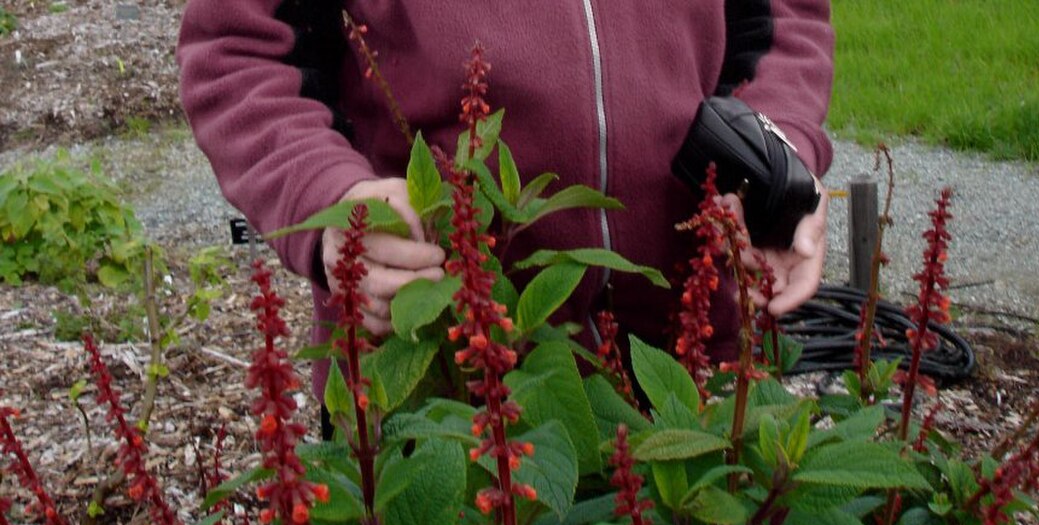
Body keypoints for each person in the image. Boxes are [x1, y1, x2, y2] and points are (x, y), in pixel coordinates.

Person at [177, 1, 834, 407]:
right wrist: (329, 196)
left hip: (695, 370)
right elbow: (240, 54)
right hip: (442, 382)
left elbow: (779, 20)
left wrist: (776, 155)